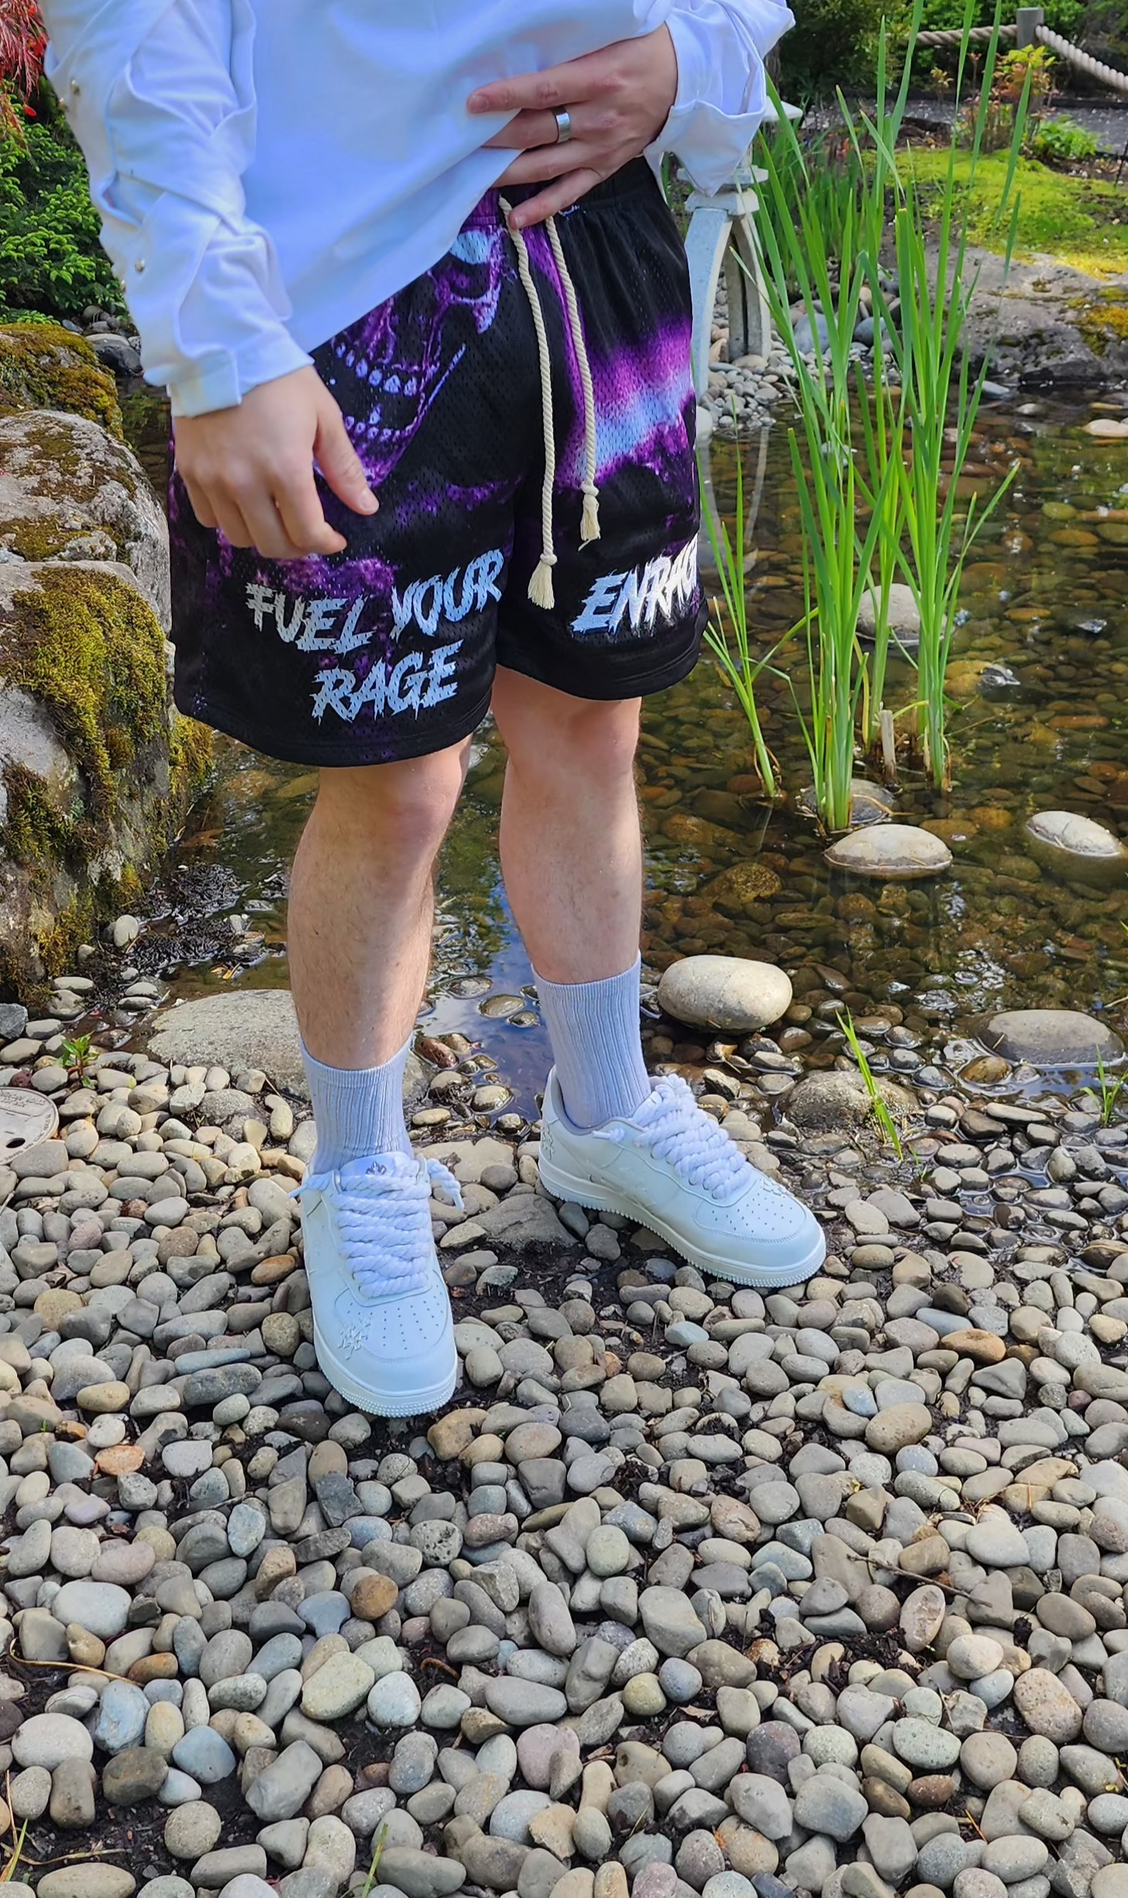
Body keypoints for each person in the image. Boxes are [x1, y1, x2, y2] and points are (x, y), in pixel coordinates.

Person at [40, 0, 826, 1419]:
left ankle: (606, 1110)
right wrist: (215, 341)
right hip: (344, 284)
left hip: (603, 252)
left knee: (595, 721)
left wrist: (692, 61)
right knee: (397, 779)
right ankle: (357, 1168)